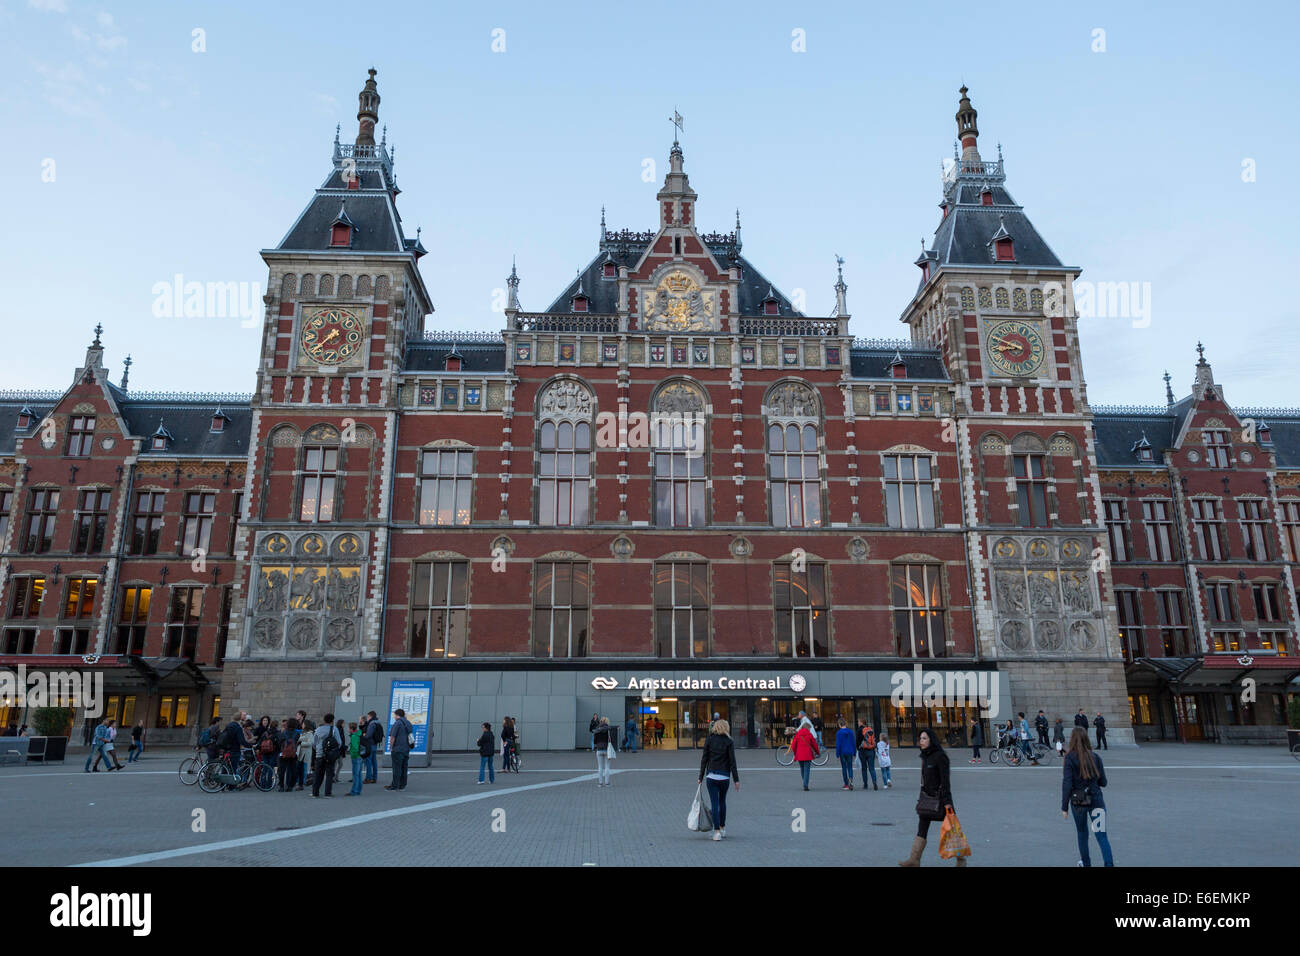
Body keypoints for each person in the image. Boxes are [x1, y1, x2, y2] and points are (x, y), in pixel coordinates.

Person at [899, 728, 964, 867]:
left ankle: (961, 860)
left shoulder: (940, 757)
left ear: (931, 740)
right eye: (920, 738)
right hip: (927, 799)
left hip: (942, 800)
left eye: (924, 738)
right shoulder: (925, 756)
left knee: (953, 830)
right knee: (922, 827)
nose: (921, 741)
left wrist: (947, 802)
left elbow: (945, 781)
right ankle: (914, 859)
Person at [1061, 727, 1114, 866]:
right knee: (1102, 836)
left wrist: (1064, 807)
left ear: (1072, 740)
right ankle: (1109, 864)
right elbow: (1104, 782)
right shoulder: (1095, 757)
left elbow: (1067, 784)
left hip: (1078, 802)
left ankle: (1086, 863)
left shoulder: (1069, 758)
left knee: (1082, 833)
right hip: (1096, 800)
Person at [698, 718, 740, 841]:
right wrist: (736, 780)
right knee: (722, 802)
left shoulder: (709, 739)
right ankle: (722, 828)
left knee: (714, 804)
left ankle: (716, 832)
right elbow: (733, 762)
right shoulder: (729, 741)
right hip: (724, 776)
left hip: (711, 776)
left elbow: (704, 759)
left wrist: (700, 777)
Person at [312, 713, 342, 798]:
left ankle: (315, 793)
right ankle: (327, 793)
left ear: (324, 720)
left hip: (319, 755)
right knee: (329, 774)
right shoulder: (334, 729)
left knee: (318, 774)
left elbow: (314, 743)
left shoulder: (318, 730)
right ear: (332, 720)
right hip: (330, 755)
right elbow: (339, 743)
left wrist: (318, 749)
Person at [386, 708, 413, 791]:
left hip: (398, 749)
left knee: (397, 768)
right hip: (406, 749)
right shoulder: (408, 723)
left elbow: (392, 737)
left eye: (395, 715)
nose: (394, 717)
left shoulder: (397, 723)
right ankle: (402, 785)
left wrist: (391, 747)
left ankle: (395, 785)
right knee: (404, 768)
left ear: (397, 715)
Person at [791, 720, 819, 791]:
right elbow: (814, 745)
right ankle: (805, 784)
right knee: (807, 770)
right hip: (807, 755)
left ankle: (804, 782)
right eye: (809, 728)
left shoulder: (797, 735)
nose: (810, 730)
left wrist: (795, 753)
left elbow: (793, 746)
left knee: (802, 769)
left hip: (799, 755)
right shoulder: (809, 735)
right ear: (807, 728)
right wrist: (817, 752)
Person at [277, 718, 300, 792]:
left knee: (282, 770)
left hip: (283, 754)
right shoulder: (297, 734)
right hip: (293, 754)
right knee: (294, 771)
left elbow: (279, 743)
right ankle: (290, 786)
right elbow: (298, 743)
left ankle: (281, 786)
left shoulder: (283, 733)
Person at [593, 717, 615, 787]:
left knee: (600, 767)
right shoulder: (608, 730)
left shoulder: (597, 730)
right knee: (607, 767)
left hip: (599, 750)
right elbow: (612, 739)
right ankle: (607, 783)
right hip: (607, 750)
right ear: (607, 722)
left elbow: (595, 741)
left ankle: (600, 783)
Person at [857, 720, 879, 790]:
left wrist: (858, 748)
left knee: (864, 768)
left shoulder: (860, 730)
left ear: (861, 722)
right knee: (872, 768)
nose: (858, 723)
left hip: (863, 751)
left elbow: (857, 741)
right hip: (871, 751)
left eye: (859, 721)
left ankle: (865, 784)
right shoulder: (870, 729)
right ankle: (874, 782)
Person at [835, 718, 856, 790]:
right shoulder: (850, 732)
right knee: (850, 767)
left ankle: (846, 784)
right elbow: (853, 743)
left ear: (840, 724)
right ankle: (851, 779)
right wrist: (854, 753)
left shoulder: (839, 733)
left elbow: (838, 744)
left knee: (844, 767)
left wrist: (837, 754)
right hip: (850, 751)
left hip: (842, 752)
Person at [363, 711, 383, 783]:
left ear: (370, 716)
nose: (367, 718)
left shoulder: (372, 724)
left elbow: (368, 735)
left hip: (370, 744)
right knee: (374, 762)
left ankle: (368, 778)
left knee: (368, 762)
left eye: (368, 717)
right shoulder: (378, 722)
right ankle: (374, 778)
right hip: (375, 744)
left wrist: (364, 735)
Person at [296, 719, 315, 791]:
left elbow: (311, 743)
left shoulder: (310, 733)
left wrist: (301, 743)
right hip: (300, 752)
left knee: (303, 768)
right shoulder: (303, 732)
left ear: (306, 725)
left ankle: (302, 782)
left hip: (305, 753)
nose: (302, 725)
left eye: (303, 724)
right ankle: (300, 782)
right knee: (300, 768)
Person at [346, 721, 364, 796]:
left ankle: (354, 791)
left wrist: (351, 752)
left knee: (355, 775)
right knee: (359, 774)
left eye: (348, 728)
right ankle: (358, 790)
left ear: (351, 729)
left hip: (356, 757)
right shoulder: (359, 734)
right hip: (361, 756)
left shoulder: (354, 736)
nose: (347, 729)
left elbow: (355, 748)